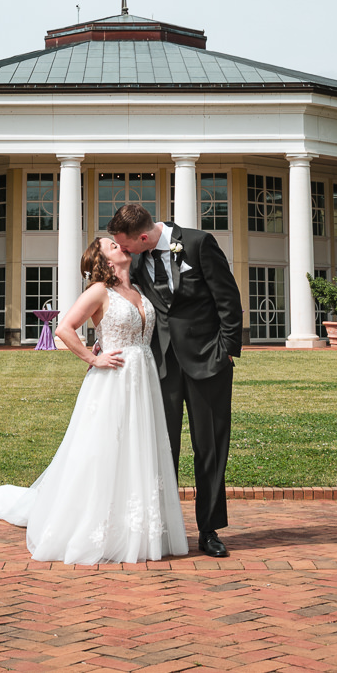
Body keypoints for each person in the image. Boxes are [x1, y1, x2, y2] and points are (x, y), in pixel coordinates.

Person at [0, 235, 188, 564]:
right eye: (111, 244)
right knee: (103, 450)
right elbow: (65, 328)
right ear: (104, 260)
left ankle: (139, 529)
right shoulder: (98, 291)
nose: (119, 244)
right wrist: (94, 358)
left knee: (138, 450)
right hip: (112, 381)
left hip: (143, 378)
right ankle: (94, 526)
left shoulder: (137, 291)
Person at [108, 202, 241, 559]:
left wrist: (227, 350)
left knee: (210, 448)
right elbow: (124, 301)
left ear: (145, 236)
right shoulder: (135, 259)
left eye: (126, 244)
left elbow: (228, 298)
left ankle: (209, 530)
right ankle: (163, 530)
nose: (123, 251)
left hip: (208, 362)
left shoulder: (199, 244)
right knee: (161, 449)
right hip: (159, 366)